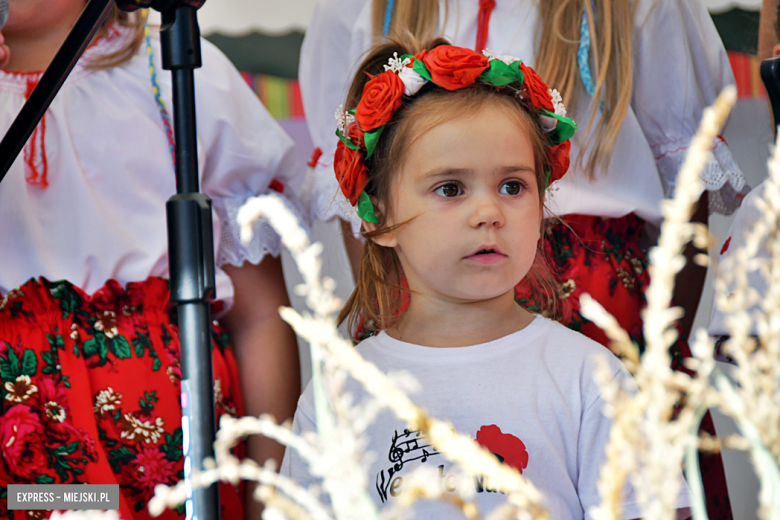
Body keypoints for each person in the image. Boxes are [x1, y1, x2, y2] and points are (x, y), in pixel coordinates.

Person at [300, 1, 741, 515]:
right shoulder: (340, 393)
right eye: (449, 188)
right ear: (377, 218)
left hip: (611, 308)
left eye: (513, 185)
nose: (487, 211)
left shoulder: (591, 378)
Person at [0, 3, 303, 519]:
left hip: (165, 469)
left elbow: (259, 319)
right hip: (26, 467)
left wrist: (267, 501)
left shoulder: (179, 75)